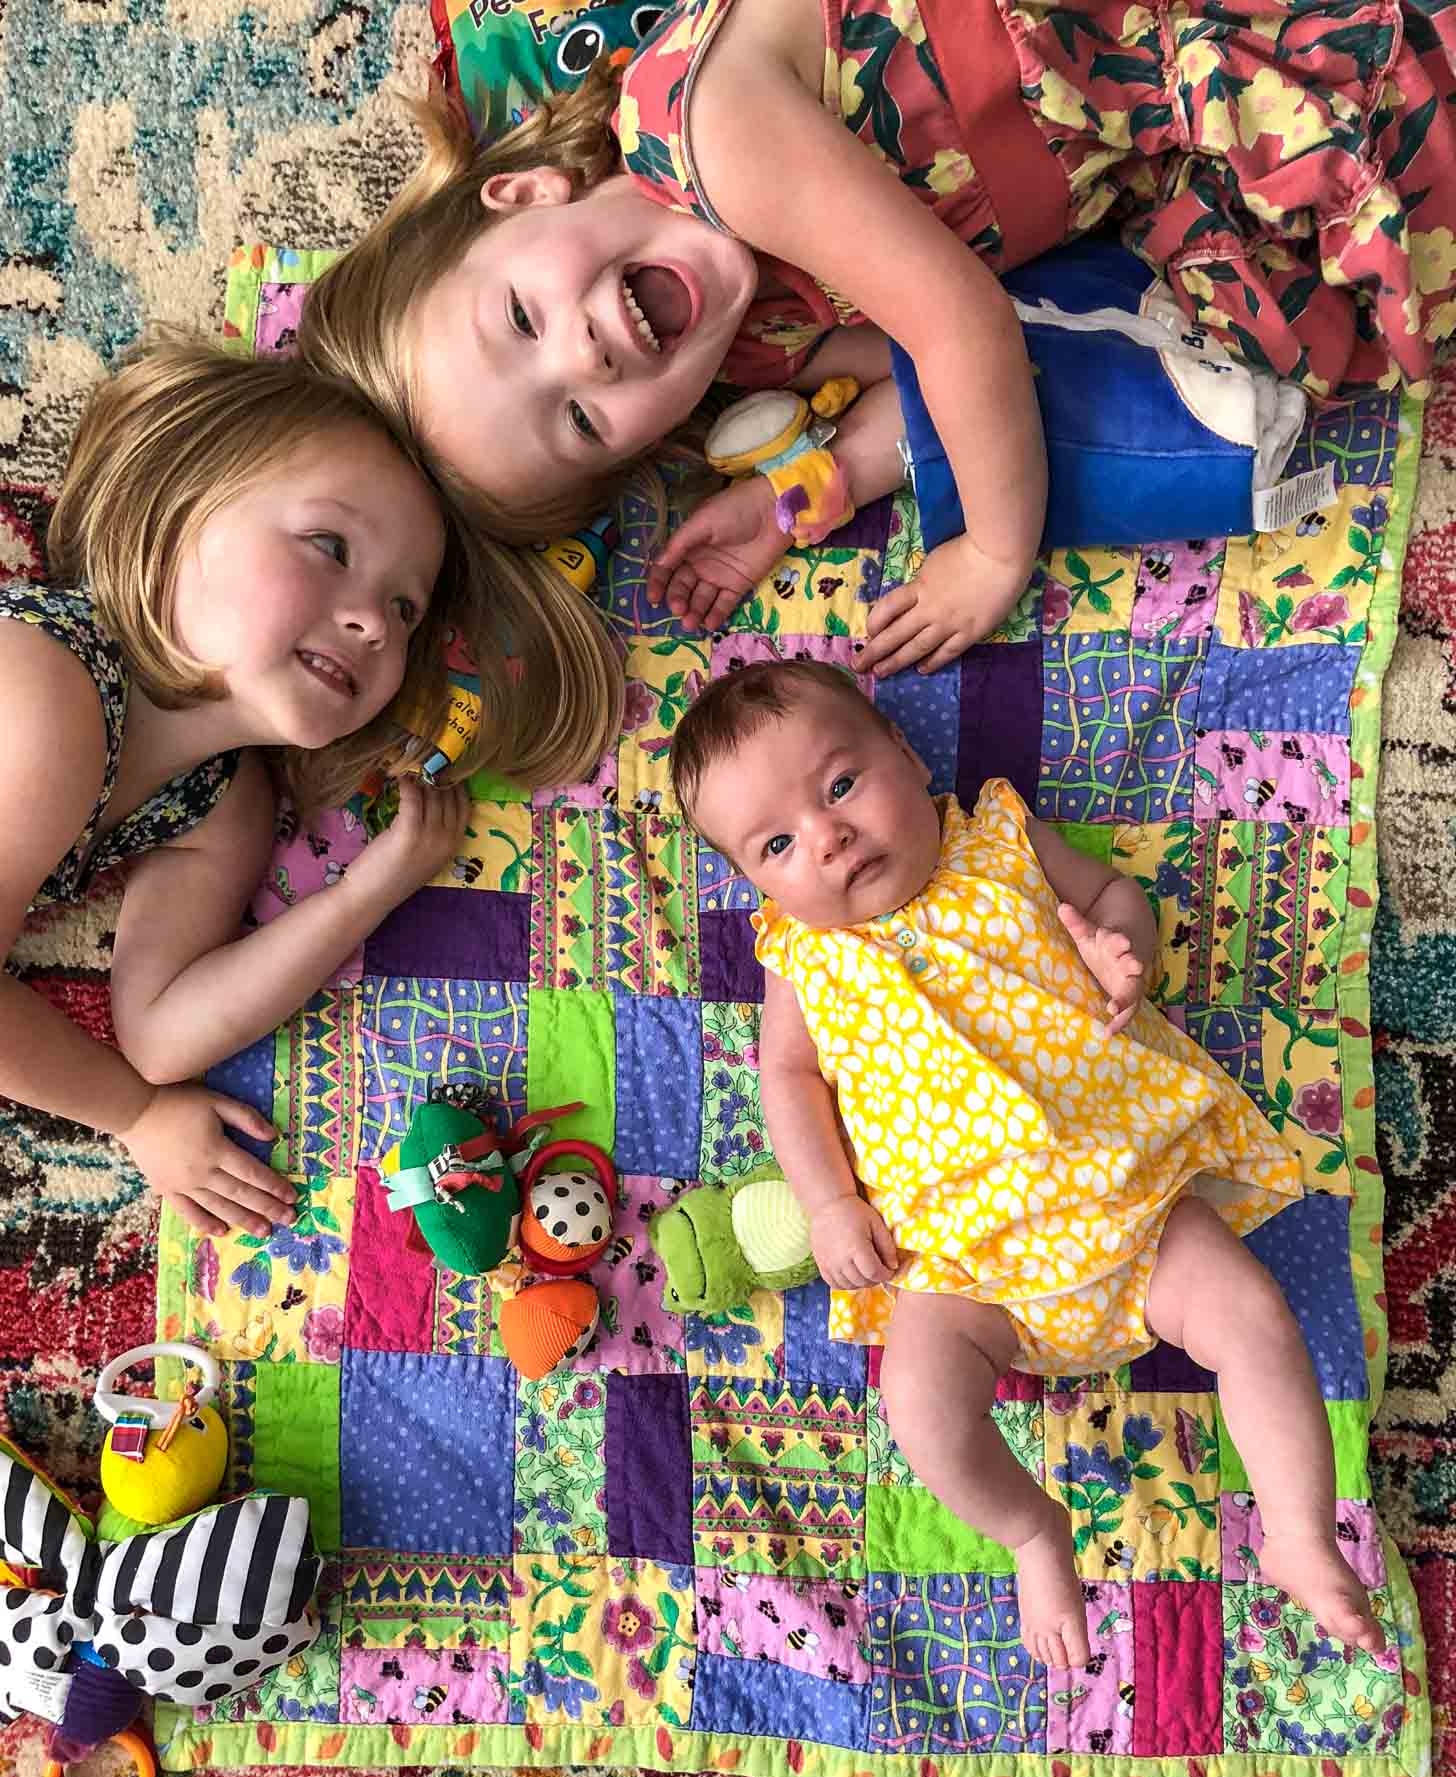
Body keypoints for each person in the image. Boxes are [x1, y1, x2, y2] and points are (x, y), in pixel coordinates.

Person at [299, 0, 1456, 675]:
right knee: (1289, 324)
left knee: (1387, 145)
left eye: (519, 319)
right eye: (580, 419)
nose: (584, 356)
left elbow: (957, 328)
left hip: (1100, 30)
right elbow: (951, 367)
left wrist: (994, 554)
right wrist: (796, 494)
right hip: (1131, 136)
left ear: (527, 196)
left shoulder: (699, 131)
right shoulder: (754, 344)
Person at [668, 657, 1383, 1669]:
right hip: (966, 1268)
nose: (826, 838)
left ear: (907, 757)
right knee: (917, 1403)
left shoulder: (997, 837)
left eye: (839, 786)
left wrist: (1116, 948)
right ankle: (1031, 1529)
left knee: (1255, 1318)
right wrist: (829, 1203)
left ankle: (1300, 1532)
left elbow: (1112, 893)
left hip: (1127, 1200)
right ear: (757, 883)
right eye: (778, 843)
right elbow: (788, 1079)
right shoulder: (801, 954)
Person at [1, 334, 617, 1243]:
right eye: (329, 546)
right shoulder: (42, 693)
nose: (373, 620)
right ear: (178, 507)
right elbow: (141, 1075)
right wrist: (131, 1115)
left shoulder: (225, 801)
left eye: (405, 608)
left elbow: (164, 1032)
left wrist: (378, 882)